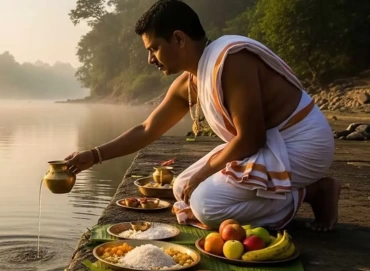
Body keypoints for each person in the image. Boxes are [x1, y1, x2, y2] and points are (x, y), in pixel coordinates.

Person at [65, 0, 341, 232]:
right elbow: (148, 128)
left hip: (303, 144)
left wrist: (204, 175)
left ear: (178, 38)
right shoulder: (191, 80)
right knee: (182, 187)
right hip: (269, 145)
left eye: (154, 48)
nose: (150, 59)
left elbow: (250, 139)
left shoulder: (231, 60)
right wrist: (94, 155)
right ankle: (292, 191)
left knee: (206, 205)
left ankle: (312, 191)